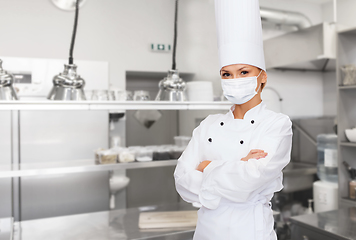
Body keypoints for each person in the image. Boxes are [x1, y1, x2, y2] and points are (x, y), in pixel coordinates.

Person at [173, 0, 293, 239]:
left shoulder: (277, 124)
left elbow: (252, 179)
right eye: (227, 74)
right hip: (207, 231)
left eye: (244, 72)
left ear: (262, 78)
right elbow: (182, 182)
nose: (234, 79)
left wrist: (206, 167)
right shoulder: (207, 124)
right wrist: (238, 166)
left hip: (250, 230)